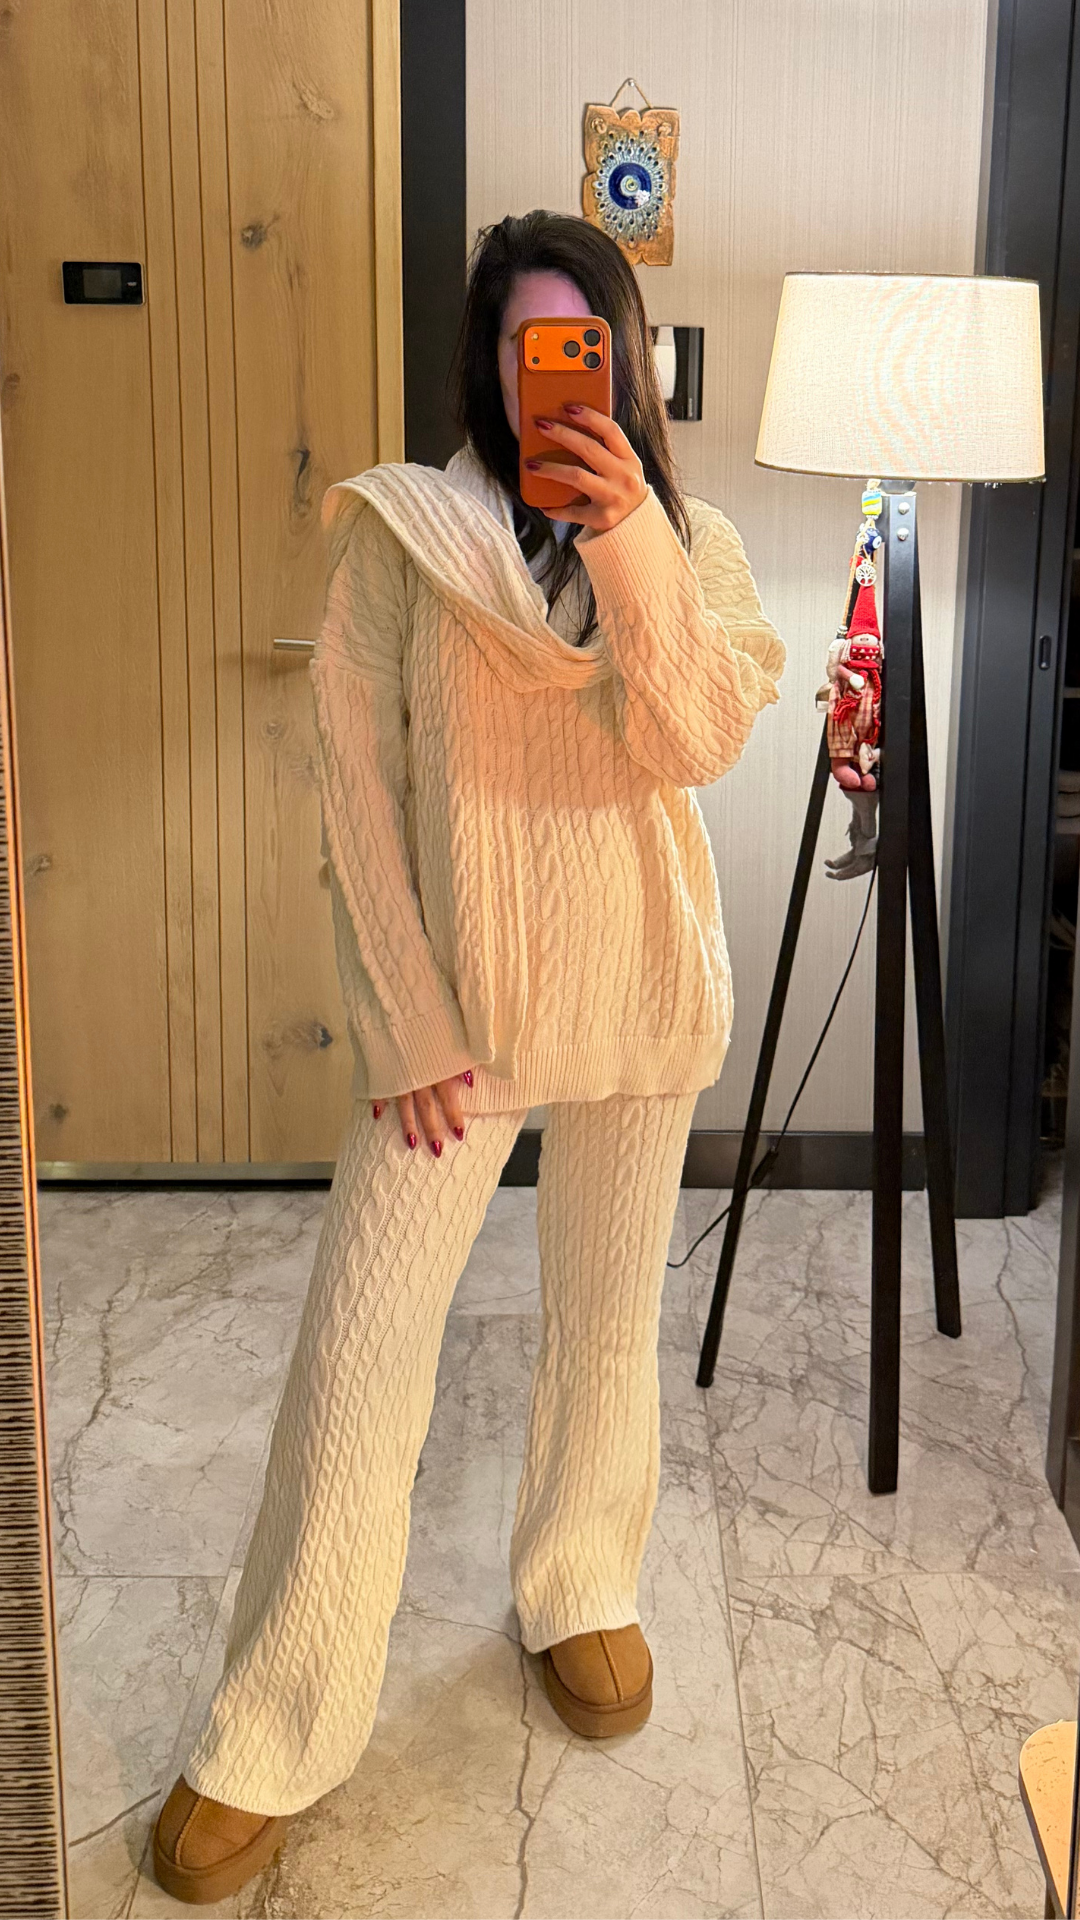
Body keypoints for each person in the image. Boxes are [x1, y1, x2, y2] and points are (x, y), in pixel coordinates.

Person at [152, 208, 786, 1904]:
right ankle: (277, 1723)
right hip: (463, 1016)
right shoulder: (403, 536)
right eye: (525, 345)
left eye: (584, 342)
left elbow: (695, 738)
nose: (551, 372)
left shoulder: (698, 542)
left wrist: (631, 539)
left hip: (642, 989)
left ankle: (581, 1584)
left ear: (626, 358)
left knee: (605, 1320)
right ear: (487, 362)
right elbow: (356, 786)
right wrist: (408, 1017)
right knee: (359, 1355)